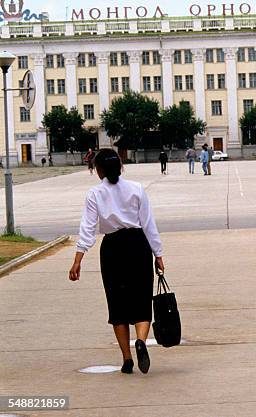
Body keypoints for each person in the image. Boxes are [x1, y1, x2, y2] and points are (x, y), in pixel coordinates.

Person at [69, 148, 164, 375]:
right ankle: (140, 340)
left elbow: (88, 229)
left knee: (117, 303)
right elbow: (148, 224)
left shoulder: (95, 194)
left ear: (98, 170)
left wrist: (77, 259)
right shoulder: (137, 189)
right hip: (138, 246)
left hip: (112, 249)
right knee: (142, 298)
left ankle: (127, 358)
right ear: (121, 167)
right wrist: (158, 254)